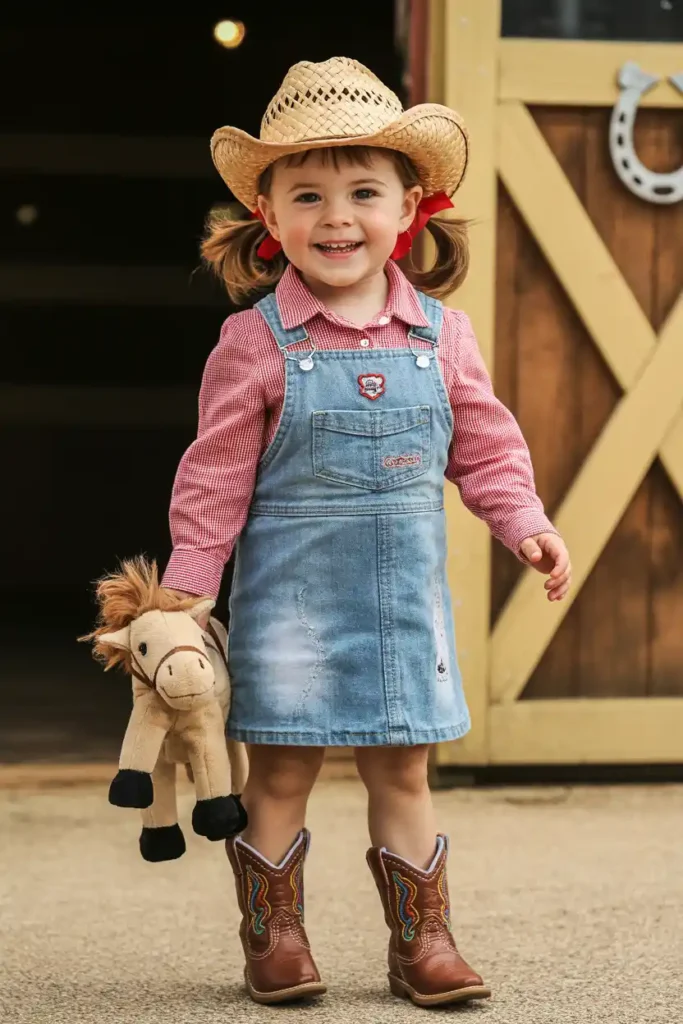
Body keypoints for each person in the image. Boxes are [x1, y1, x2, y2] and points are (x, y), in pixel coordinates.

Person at [161, 56, 571, 1008]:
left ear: (408, 206)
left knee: (403, 767)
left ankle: (421, 943)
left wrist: (524, 524)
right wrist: (188, 589)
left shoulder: (442, 335)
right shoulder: (255, 342)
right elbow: (213, 478)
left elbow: (487, 449)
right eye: (307, 195)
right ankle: (277, 937)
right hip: (292, 607)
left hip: (401, 603)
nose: (335, 216)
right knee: (281, 773)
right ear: (269, 216)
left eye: (361, 192)